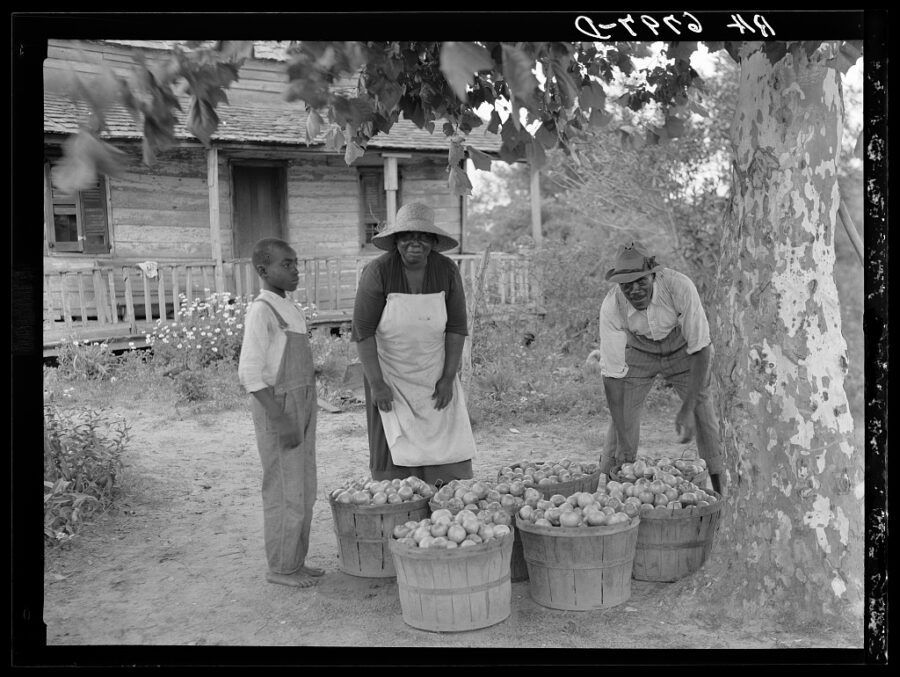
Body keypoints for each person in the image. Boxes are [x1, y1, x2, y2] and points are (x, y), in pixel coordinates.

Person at [351, 202, 477, 486]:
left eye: (423, 236)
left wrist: (448, 377)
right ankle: (399, 494)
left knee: (445, 437)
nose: (414, 243)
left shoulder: (447, 271)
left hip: (435, 368)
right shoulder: (378, 271)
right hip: (387, 371)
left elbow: (456, 329)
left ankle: (445, 490)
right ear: (396, 240)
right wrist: (377, 384)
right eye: (407, 236)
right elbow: (363, 332)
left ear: (433, 241)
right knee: (394, 443)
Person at [596, 240, 725, 495]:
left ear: (653, 275)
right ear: (619, 285)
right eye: (626, 285)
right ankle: (610, 491)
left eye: (640, 281)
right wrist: (623, 438)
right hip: (639, 349)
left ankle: (720, 491)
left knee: (702, 411)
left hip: (682, 347)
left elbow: (701, 348)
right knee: (621, 419)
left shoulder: (679, 286)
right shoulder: (612, 305)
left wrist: (687, 408)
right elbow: (612, 376)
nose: (634, 290)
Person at [238, 237, 324, 588]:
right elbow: (249, 374)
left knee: (304, 487)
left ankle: (296, 560)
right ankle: (281, 567)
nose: (295, 270)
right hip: (279, 408)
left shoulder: (289, 307)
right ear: (263, 270)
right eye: (286, 264)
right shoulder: (262, 311)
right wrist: (280, 418)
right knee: (283, 490)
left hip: (303, 402)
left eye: (295, 263)